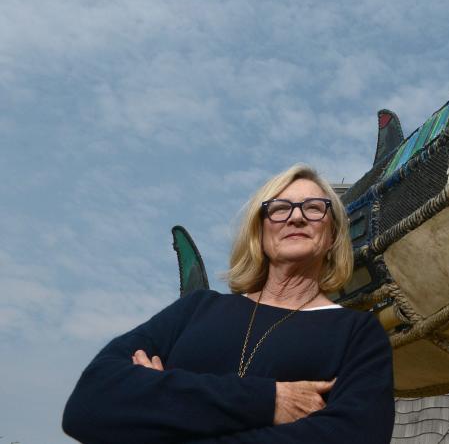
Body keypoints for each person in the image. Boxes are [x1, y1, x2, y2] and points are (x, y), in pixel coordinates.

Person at [62, 164, 395, 443]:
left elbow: (353, 436)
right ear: (259, 232)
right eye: (280, 209)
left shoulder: (358, 334)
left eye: (313, 207)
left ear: (334, 234)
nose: (296, 218)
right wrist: (269, 402)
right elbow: (89, 404)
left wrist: (161, 405)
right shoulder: (196, 310)